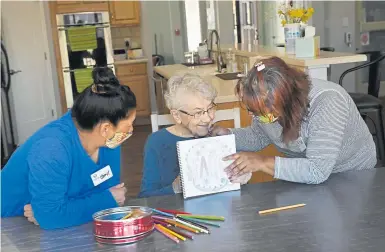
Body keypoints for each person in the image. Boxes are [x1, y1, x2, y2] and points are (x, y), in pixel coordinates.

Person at [1, 67, 137, 230]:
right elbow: (52, 216)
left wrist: (58, 212)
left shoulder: (109, 142)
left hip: (59, 227)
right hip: (9, 224)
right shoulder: (51, 148)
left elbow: (109, 194)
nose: (131, 130)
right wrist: (53, 214)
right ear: (105, 129)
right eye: (128, 125)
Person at [211, 56, 376, 184]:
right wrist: (228, 134)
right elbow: (259, 135)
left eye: (263, 113)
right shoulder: (267, 103)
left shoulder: (327, 102)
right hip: (308, 174)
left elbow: (317, 170)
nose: (257, 117)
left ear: (285, 100)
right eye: (253, 111)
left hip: (352, 174)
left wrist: (261, 162)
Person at [138, 74, 251, 198]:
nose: (208, 118)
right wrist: (174, 188)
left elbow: (233, 187)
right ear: (176, 115)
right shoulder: (157, 142)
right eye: (198, 113)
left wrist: (242, 177)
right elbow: (146, 197)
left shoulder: (218, 136)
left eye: (210, 109)